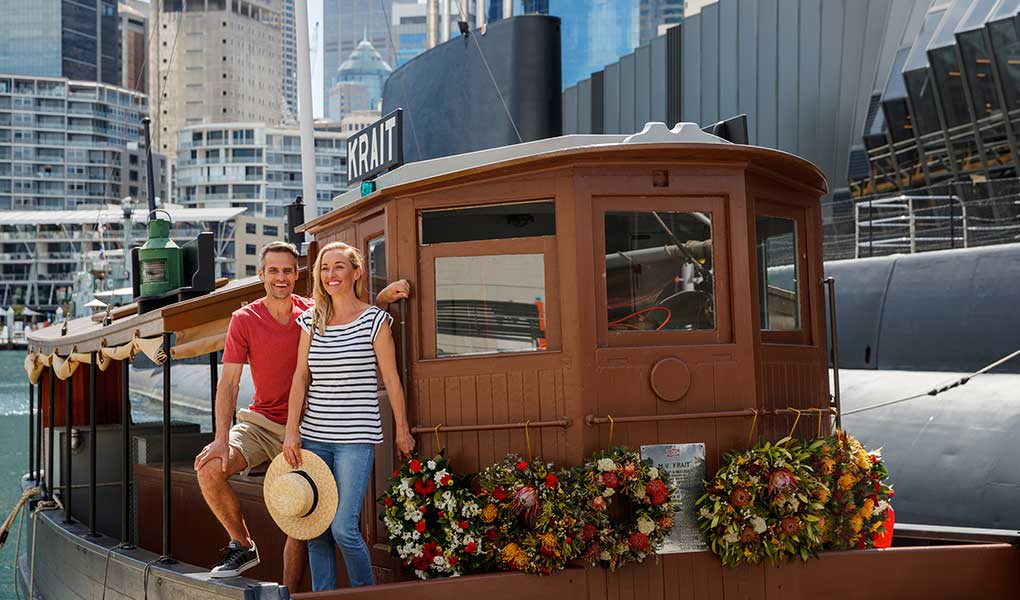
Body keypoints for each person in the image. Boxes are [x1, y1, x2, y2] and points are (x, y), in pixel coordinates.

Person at [193, 241, 408, 585]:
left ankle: (294, 594)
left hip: (310, 425)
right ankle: (242, 543)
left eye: (288, 271)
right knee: (210, 469)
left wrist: (380, 301)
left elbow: (352, 312)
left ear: (297, 276)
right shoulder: (248, 319)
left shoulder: (312, 311)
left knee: (311, 518)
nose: (281, 278)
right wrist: (221, 439)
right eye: (273, 271)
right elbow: (230, 384)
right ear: (261, 275)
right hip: (267, 423)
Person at [282, 241, 415, 591]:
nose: (330, 275)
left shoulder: (374, 320)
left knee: (343, 527)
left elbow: (391, 379)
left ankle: (365, 593)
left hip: (355, 439)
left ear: (356, 272)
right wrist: (291, 432)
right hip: (314, 437)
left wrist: (402, 429)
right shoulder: (309, 321)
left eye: (339, 267)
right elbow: (300, 377)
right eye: (325, 268)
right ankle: (323, 597)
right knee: (317, 530)